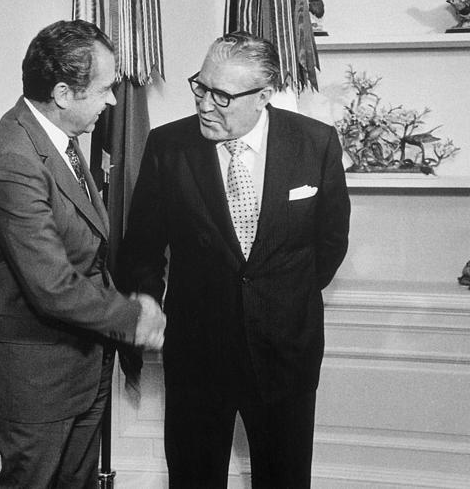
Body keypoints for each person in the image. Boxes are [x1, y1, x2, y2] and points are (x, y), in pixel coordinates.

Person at [119, 31, 350, 488]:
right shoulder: (169, 146)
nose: (205, 104)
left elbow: (329, 245)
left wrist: (278, 300)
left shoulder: (315, 143)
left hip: (286, 353)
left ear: (264, 95)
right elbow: (141, 246)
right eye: (201, 87)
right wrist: (147, 300)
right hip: (197, 354)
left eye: (222, 95)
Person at [0, 19, 166, 488]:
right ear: (63, 93)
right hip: (37, 383)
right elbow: (51, 285)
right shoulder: (13, 159)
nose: (113, 101)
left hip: (80, 366)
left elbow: (89, 253)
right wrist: (132, 317)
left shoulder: (61, 143)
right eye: (103, 89)